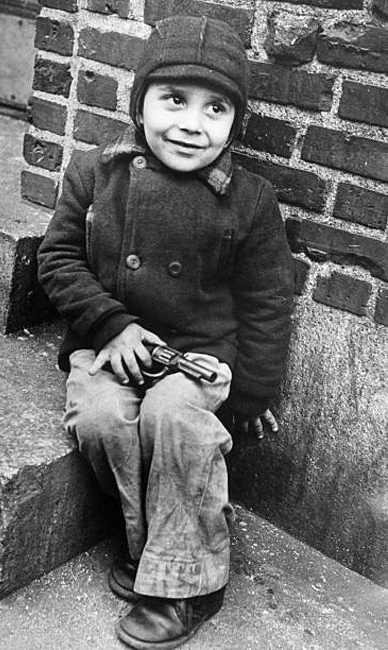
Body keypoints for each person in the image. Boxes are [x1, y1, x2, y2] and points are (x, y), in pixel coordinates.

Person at [37, 14, 294, 650]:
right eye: (173, 100)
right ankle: (153, 549)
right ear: (140, 102)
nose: (190, 123)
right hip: (110, 343)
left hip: (198, 356)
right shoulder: (98, 171)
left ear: (234, 124)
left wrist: (254, 393)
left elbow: (267, 299)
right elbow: (57, 259)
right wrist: (110, 323)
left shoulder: (250, 198)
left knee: (174, 421)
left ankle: (187, 583)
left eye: (215, 109)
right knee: (100, 420)